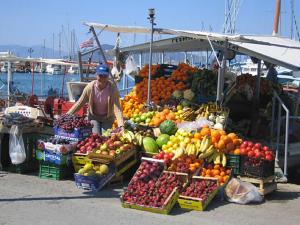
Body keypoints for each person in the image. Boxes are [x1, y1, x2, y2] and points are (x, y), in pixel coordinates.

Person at [67, 64, 124, 134]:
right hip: (94, 117)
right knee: (95, 135)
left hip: (108, 118)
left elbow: (117, 109)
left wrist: (121, 126)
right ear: (96, 75)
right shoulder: (90, 87)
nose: (102, 78)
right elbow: (79, 103)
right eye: (100, 75)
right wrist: (67, 115)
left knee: (105, 136)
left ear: (108, 76)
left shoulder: (112, 89)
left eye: (105, 76)